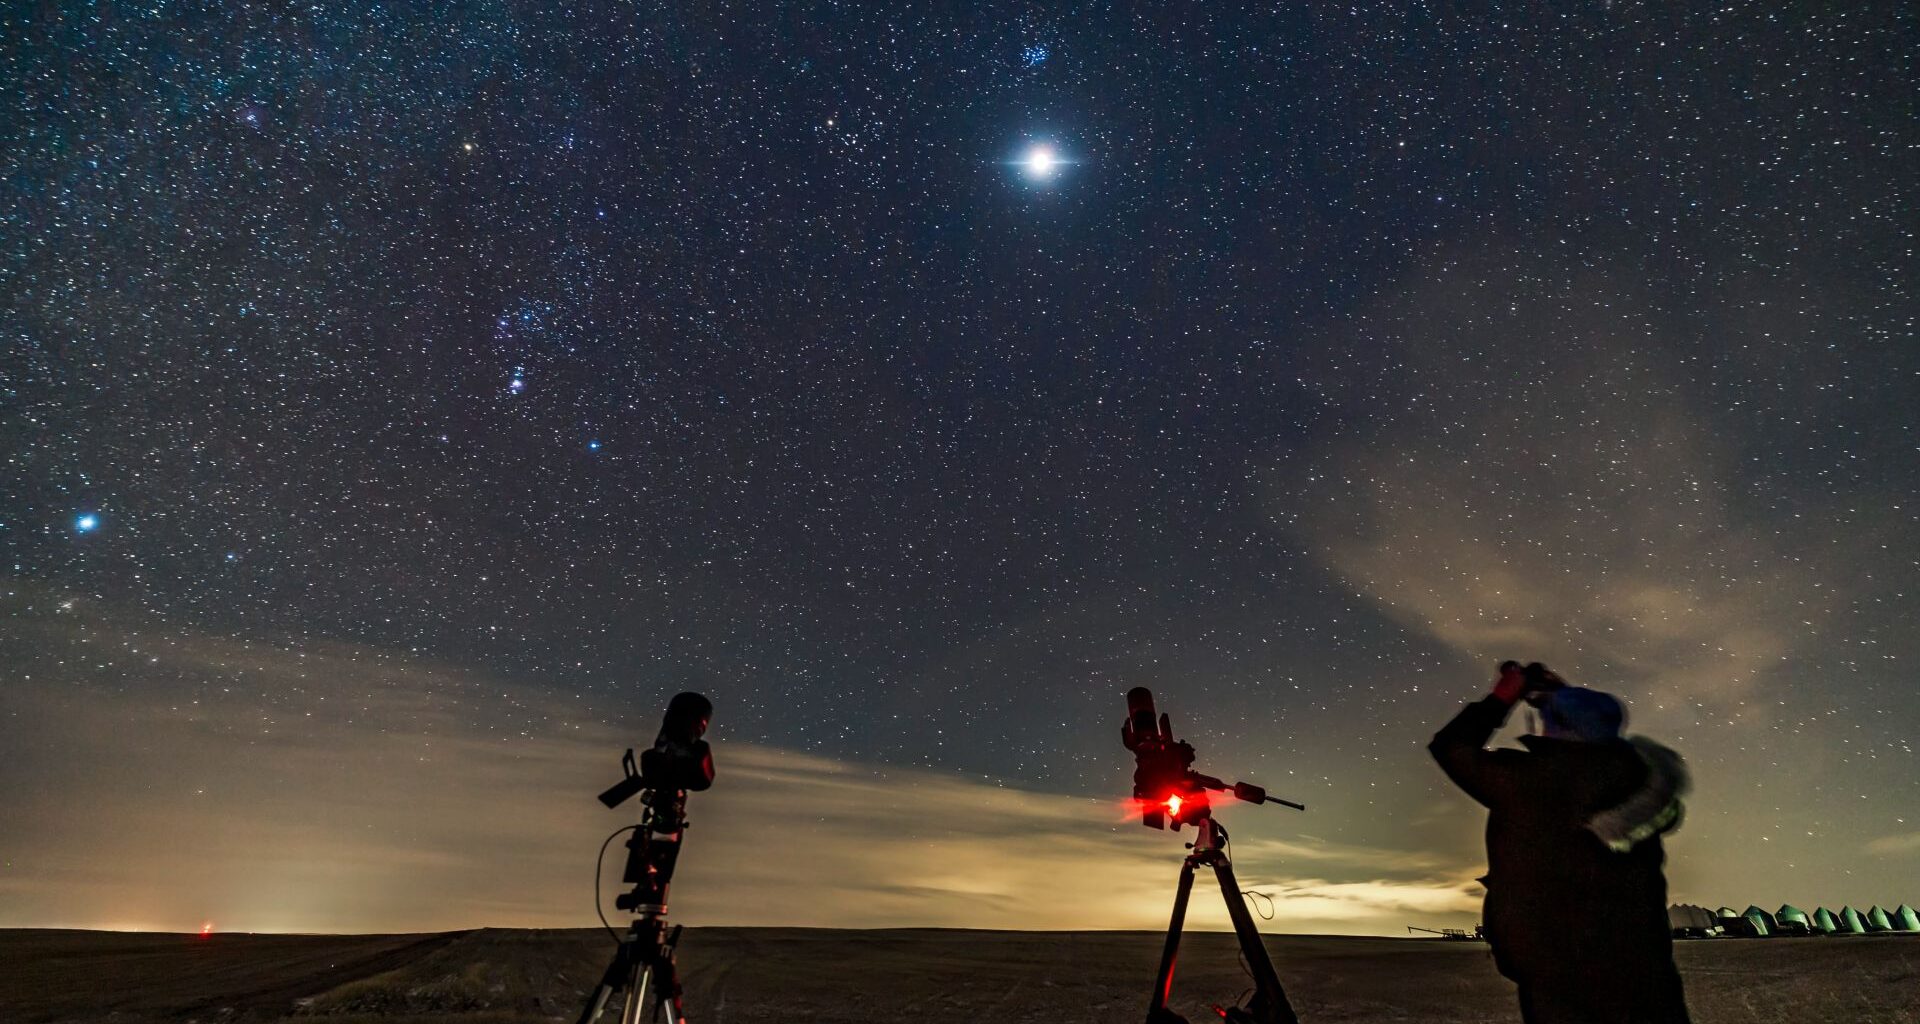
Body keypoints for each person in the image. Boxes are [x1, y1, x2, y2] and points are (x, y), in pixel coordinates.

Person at [1428, 662, 1692, 1024]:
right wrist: (1565, 698)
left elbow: (1450, 746)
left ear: (1558, 726)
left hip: (1558, 972)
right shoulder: (1640, 778)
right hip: (1644, 966)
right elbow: (1598, 734)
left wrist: (1503, 697)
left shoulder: (1530, 781)